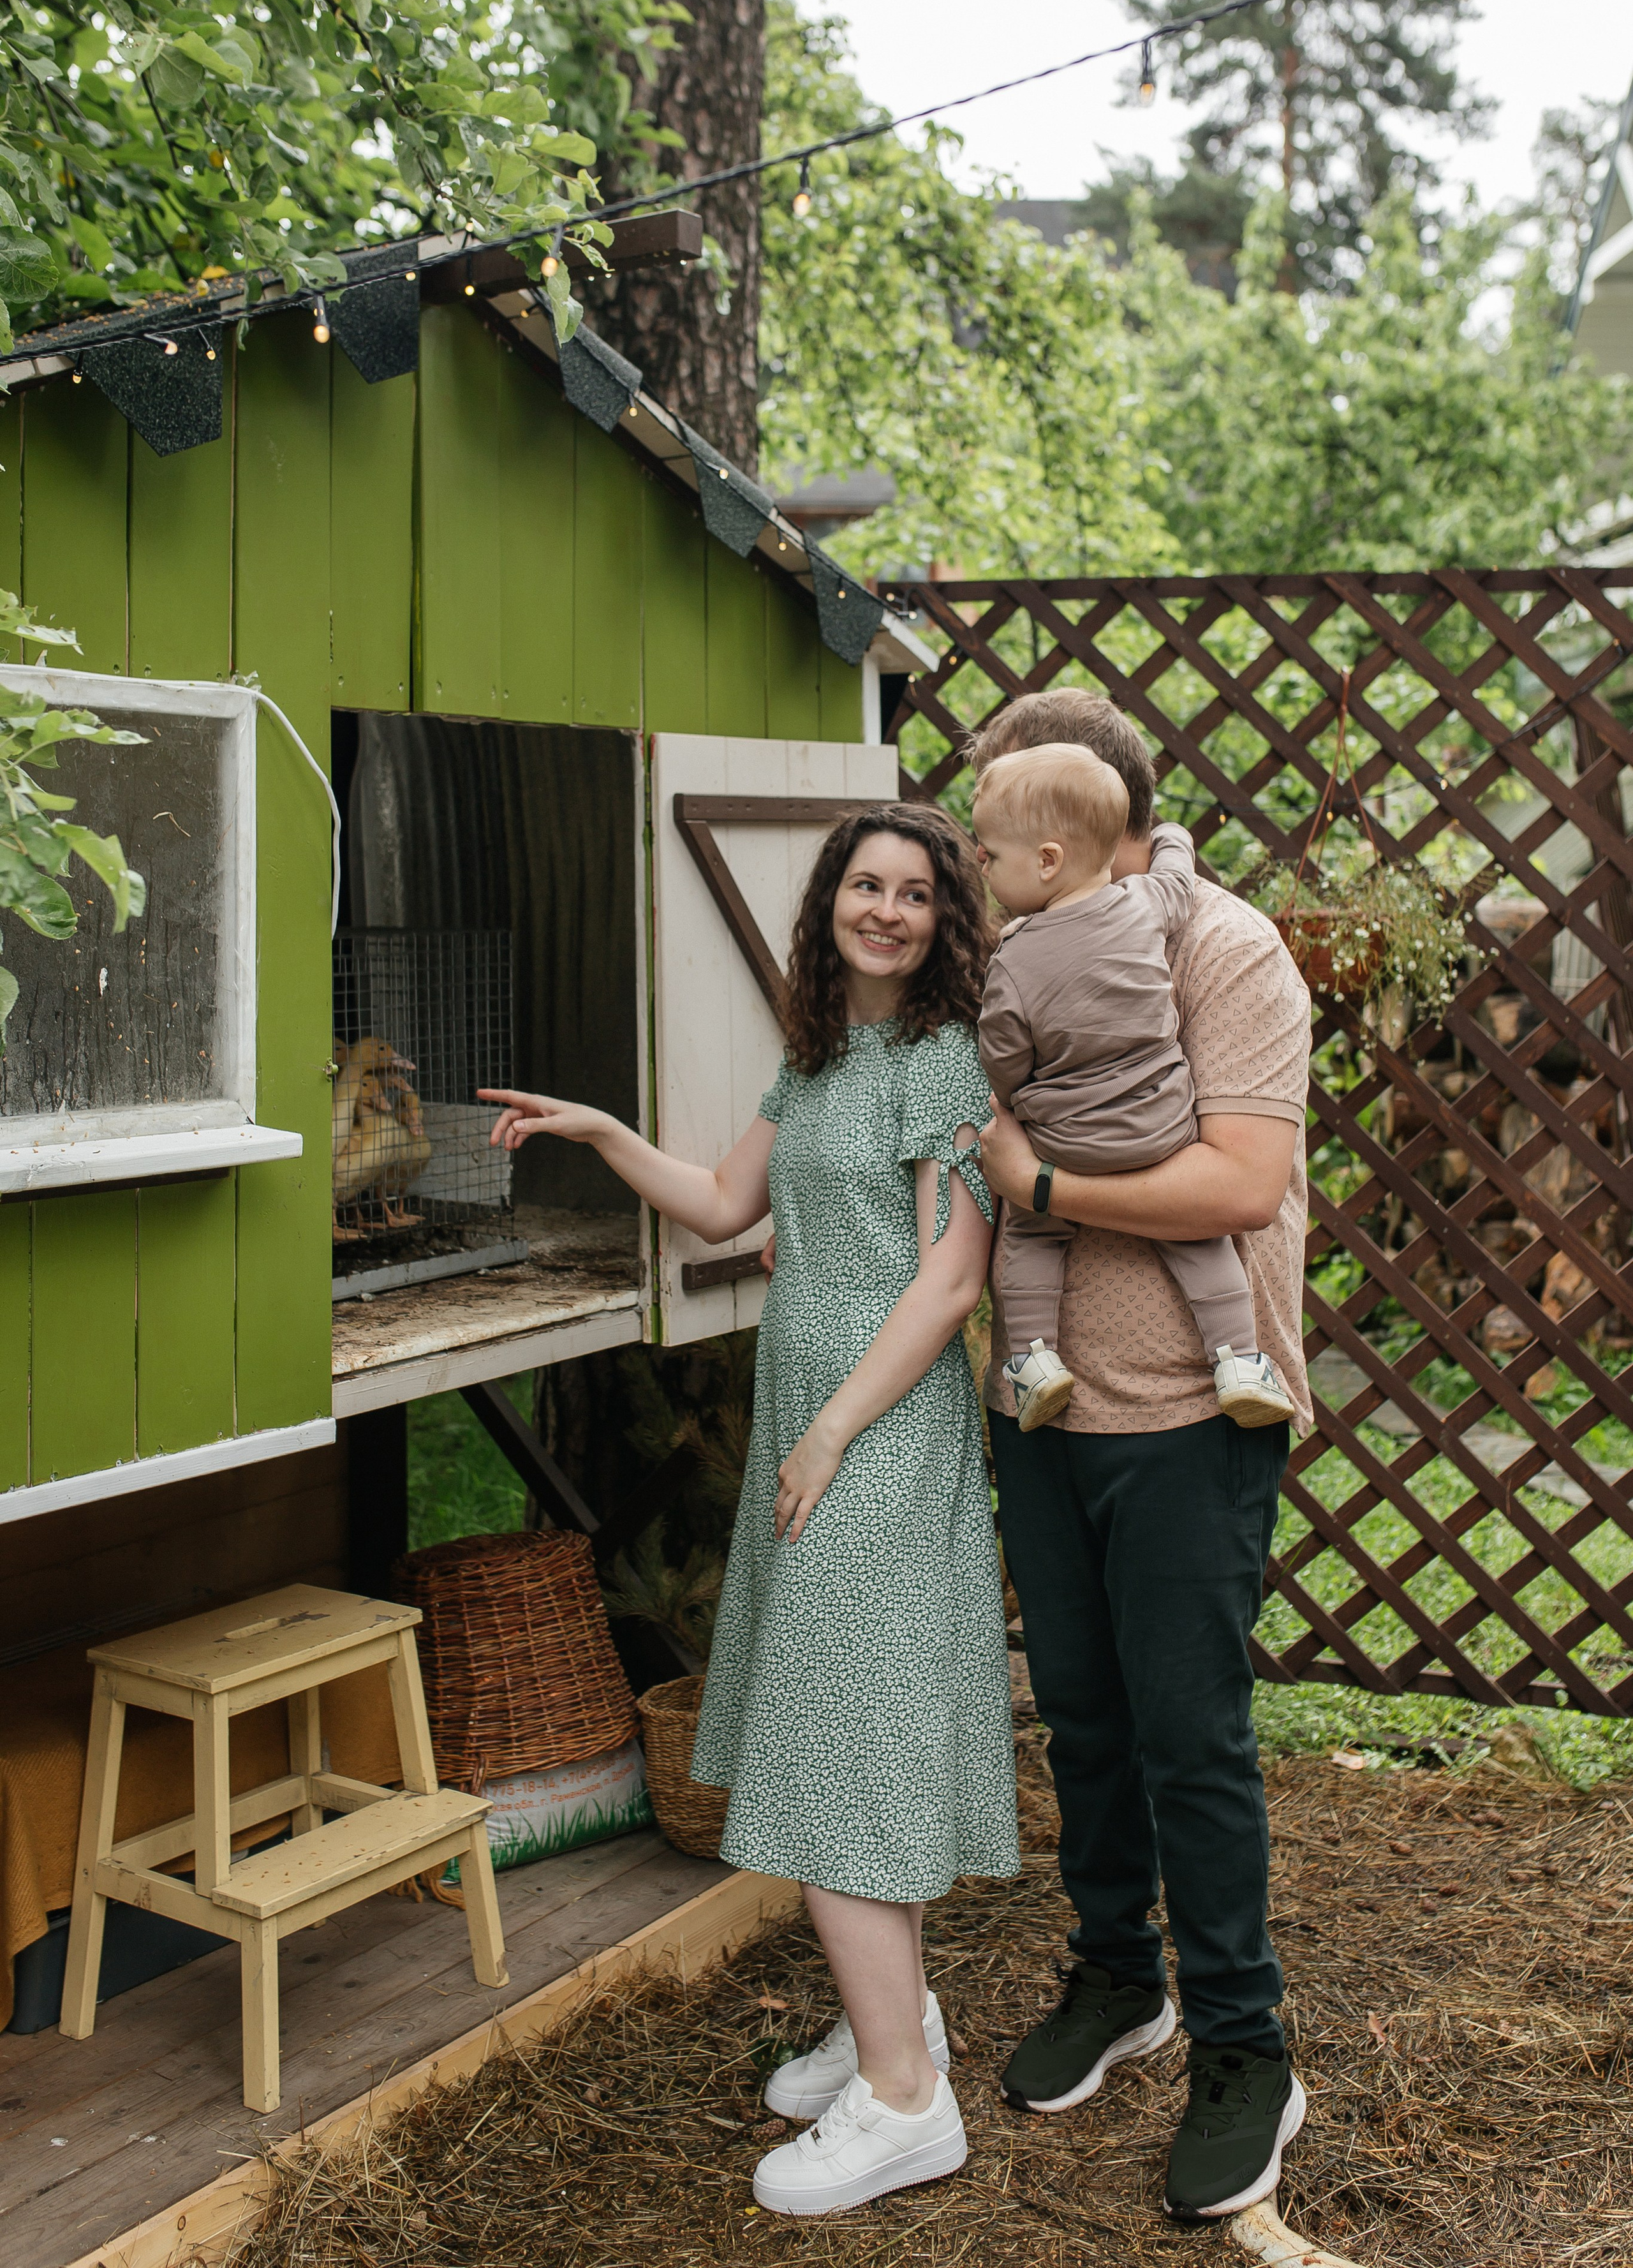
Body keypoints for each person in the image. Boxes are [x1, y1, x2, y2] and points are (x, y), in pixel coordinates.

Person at [481, 801, 1017, 2221]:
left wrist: (834, 1431)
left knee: (837, 1743)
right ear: (828, 903)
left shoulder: (943, 1059)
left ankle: (907, 2105)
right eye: (866, 885)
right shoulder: (818, 1054)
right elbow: (721, 1205)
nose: (888, 910)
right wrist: (601, 1131)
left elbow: (949, 1283)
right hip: (818, 1418)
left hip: (879, 1427)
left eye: (915, 892)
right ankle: (891, 2023)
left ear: (945, 920)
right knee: (837, 1721)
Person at [972, 690, 1313, 2227]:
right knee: (1085, 1719)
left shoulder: (1222, 951)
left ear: (1092, 825)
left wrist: (1036, 1176)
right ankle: (1118, 1976)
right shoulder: (1007, 953)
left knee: (1189, 1737)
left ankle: (1245, 2046)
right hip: (1041, 1406)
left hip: (1191, 1408)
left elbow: (1238, 1177)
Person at [970, 741, 1294, 1435]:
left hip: (1067, 1140)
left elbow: (1002, 1056)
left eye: (992, 852)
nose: (981, 864)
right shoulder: (1144, 906)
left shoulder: (1015, 957)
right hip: (1158, 1129)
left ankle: (1033, 1360)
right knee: (1200, 1248)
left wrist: (1031, 1164)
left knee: (1032, 1233)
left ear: (1048, 857)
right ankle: (1238, 1359)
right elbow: (1176, 878)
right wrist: (1175, 835)